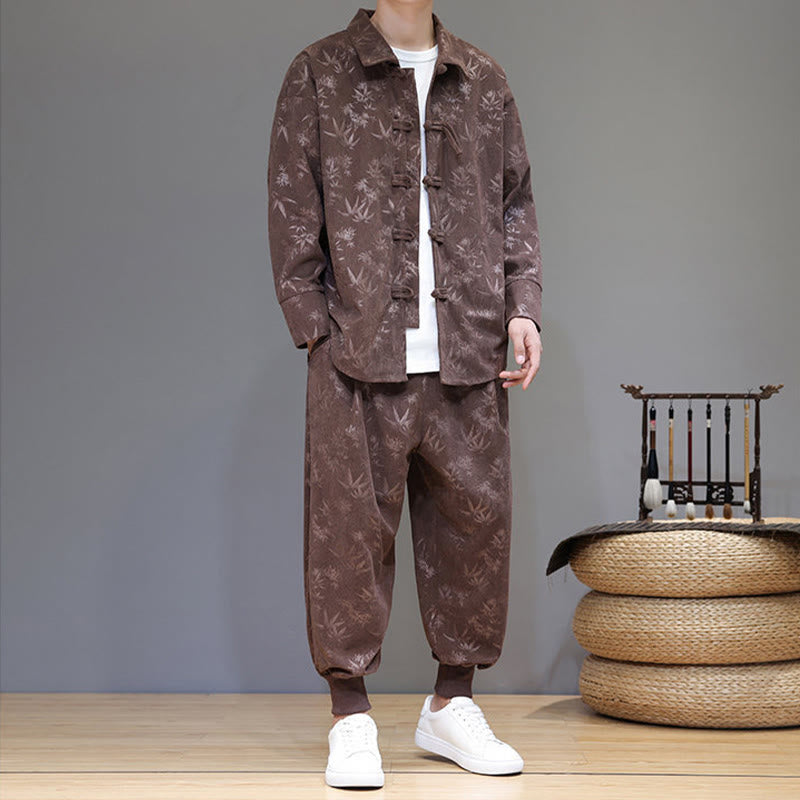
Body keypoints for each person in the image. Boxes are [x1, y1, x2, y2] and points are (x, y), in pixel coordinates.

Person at [267, 1, 542, 788]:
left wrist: (522, 308)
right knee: (347, 540)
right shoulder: (319, 72)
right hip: (357, 355)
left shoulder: (483, 79)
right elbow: (292, 204)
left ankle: (451, 704)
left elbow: (516, 203)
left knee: (474, 532)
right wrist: (315, 331)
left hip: (469, 351)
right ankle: (350, 716)